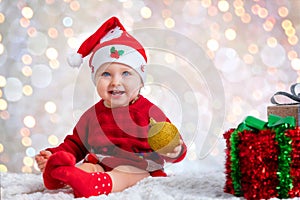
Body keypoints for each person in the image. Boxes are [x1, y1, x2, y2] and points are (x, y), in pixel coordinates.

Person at [35, 16, 187, 198]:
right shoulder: (92, 115)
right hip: (101, 163)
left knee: (127, 172)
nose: (116, 82)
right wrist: (53, 155)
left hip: (140, 168)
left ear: (141, 81)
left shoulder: (149, 112)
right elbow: (75, 144)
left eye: (126, 74)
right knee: (87, 167)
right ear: (95, 80)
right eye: (106, 74)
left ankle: (94, 185)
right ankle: (58, 176)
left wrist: (175, 150)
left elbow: (169, 139)